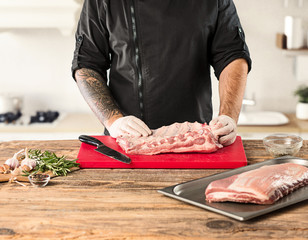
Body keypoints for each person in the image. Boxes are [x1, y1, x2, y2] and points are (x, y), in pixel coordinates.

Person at [71, 0, 252, 146]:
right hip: (126, 139)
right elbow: (87, 65)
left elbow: (232, 56)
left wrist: (228, 115)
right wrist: (113, 120)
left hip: (196, 139)